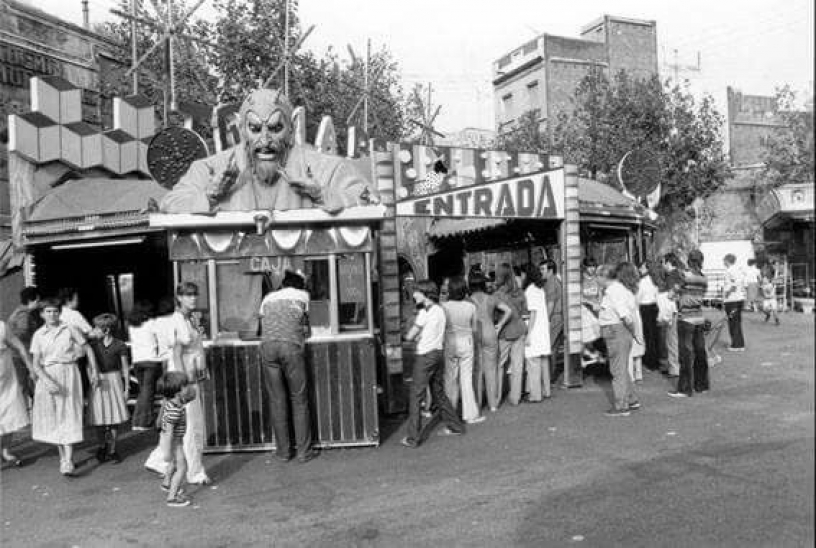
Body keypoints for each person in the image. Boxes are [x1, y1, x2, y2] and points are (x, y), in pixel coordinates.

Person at [161, 88, 378, 215]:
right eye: (255, 129)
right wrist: (209, 195)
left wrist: (322, 194)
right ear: (241, 129)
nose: (265, 140)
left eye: (275, 128)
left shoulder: (326, 169)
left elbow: (369, 199)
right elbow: (170, 203)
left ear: (291, 129)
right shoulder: (211, 169)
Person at [30, 298, 100, 475]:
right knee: (54, 418)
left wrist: (94, 371)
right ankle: (63, 457)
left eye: (55, 311)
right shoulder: (38, 335)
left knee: (68, 413)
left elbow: (88, 349)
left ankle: (67, 460)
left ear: (59, 312)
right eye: (48, 311)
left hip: (69, 373)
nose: (52, 314)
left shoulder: (69, 329)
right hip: (48, 376)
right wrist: (46, 381)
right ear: (41, 314)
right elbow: (36, 364)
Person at [259, 270, 317, 463]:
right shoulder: (303, 296)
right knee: (299, 400)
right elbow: (309, 326)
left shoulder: (268, 298)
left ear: (283, 285)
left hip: (267, 347)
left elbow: (262, 323)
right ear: (300, 285)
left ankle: (283, 453)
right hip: (290, 346)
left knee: (277, 400)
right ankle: (304, 452)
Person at [401, 280, 465, 448]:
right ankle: (455, 426)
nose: (414, 295)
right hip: (438, 354)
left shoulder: (424, 313)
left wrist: (411, 335)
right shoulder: (440, 310)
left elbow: (410, 336)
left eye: (416, 292)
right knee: (438, 392)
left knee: (416, 395)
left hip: (425, 357)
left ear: (425, 293)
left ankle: (413, 437)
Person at [598, 264, 642, 417]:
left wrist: (632, 330)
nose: (597, 280)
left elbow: (624, 314)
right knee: (621, 367)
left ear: (604, 277)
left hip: (615, 330)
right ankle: (631, 399)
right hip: (621, 331)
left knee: (617, 369)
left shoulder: (612, 291)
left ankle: (621, 405)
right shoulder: (624, 289)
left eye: (598, 276)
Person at [88, 313, 130, 464]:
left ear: (106, 330)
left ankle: (112, 449)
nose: (93, 330)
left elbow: (125, 368)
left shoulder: (119, 345)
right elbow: (89, 365)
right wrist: (92, 378)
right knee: (99, 417)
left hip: (114, 379)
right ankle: (101, 446)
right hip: (99, 380)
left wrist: (127, 388)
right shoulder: (92, 346)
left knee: (114, 417)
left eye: (96, 328)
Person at [442, 277, 483, 424]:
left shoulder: (444, 306)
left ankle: (450, 414)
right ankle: (470, 414)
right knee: (466, 380)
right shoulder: (471, 307)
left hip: (450, 342)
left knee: (450, 380)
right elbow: (475, 329)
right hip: (467, 342)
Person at [669, 249, 710, 398]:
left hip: (685, 317)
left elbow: (672, 293)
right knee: (700, 352)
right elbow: (702, 294)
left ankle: (685, 388)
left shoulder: (684, 276)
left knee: (686, 354)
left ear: (689, 261)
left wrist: (676, 293)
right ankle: (701, 384)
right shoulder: (704, 278)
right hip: (698, 317)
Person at [468, 275, 510, 413]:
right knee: (491, 369)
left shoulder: (468, 300)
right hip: (491, 332)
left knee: (477, 370)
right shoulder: (491, 298)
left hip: (475, 334)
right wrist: (499, 325)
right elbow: (508, 311)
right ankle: (493, 404)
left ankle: (478, 403)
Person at [157, 371, 196, 508]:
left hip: (174, 441)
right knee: (182, 467)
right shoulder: (175, 411)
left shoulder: (173, 402)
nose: (188, 387)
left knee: (173, 464)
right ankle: (172, 497)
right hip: (174, 442)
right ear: (178, 391)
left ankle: (167, 483)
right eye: (185, 385)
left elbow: (192, 395)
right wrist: (167, 452)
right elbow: (168, 433)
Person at [0, 318, 33, 467]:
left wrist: (30, 367)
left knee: (10, 414)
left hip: (6, 382)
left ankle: (6, 451)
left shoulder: (1, 327)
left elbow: (19, 346)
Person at [495, 263, 528, 407]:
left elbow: (495, 315)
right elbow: (523, 312)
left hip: (504, 333)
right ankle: (515, 398)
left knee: (499, 365)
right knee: (517, 365)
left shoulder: (497, 295)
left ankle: (495, 398)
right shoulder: (520, 292)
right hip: (520, 330)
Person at [129, 301, 162, 431]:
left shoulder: (132, 326)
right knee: (147, 392)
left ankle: (139, 420)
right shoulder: (152, 324)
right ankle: (141, 421)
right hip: (151, 360)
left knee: (143, 391)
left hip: (137, 361)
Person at [6, 286, 42, 400]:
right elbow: (21, 336)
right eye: (38, 300)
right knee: (23, 388)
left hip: (18, 356)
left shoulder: (19, 312)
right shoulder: (23, 315)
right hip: (20, 357)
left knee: (24, 388)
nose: (39, 303)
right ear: (32, 300)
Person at [523, 265, 551, 402]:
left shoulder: (530, 290)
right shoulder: (540, 289)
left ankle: (535, 395)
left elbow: (533, 313)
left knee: (533, 362)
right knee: (543, 360)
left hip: (535, 329)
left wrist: (529, 334)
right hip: (543, 328)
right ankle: (546, 390)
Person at [659, 253, 683, 378]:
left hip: (672, 311)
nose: (662, 265)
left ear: (668, 263)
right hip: (680, 310)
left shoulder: (671, 276)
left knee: (671, 340)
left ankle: (674, 368)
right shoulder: (680, 274)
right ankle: (676, 365)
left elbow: (671, 295)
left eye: (663, 262)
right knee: (677, 340)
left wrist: (670, 295)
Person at [541, 260, 564, 381]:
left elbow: (550, 303)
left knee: (548, 346)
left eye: (542, 269)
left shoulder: (550, 282)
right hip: (559, 317)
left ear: (550, 270)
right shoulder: (557, 280)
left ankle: (548, 376)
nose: (541, 272)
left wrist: (546, 320)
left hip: (553, 317)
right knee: (553, 348)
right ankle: (550, 375)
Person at [637, 261, 661, 370]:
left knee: (647, 335)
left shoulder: (642, 282)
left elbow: (638, 297)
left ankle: (649, 361)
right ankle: (656, 359)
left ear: (647, 269)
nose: (639, 269)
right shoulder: (655, 280)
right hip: (654, 307)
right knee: (655, 335)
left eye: (641, 268)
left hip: (644, 308)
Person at [722, 253, 746, 352]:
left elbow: (734, 283)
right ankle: (740, 343)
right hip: (739, 299)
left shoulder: (730, 270)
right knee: (737, 321)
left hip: (732, 300)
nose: (723, 263)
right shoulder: (739, 270)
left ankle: (736, 345)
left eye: (724, 261)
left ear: (727, 261)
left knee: (733, 322)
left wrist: (727, 293)